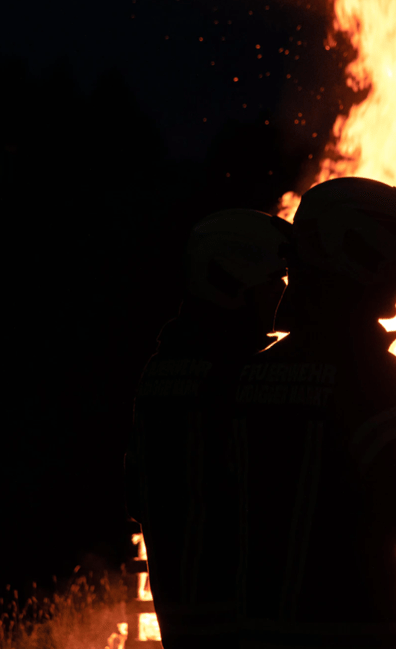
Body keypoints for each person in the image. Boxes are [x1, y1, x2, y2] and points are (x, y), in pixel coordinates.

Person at [232, 177, 396, 649]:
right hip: (350, 630)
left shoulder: (250, 376)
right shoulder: (371, 378)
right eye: (391, 260)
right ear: (351, 257)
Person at [124, 209, 292, 649]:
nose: (284, 291)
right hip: (238, 615)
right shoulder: (239, 376)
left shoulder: (162, 369)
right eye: (275, 279)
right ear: (233, 282)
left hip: (182, 610)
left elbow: (137, 492)